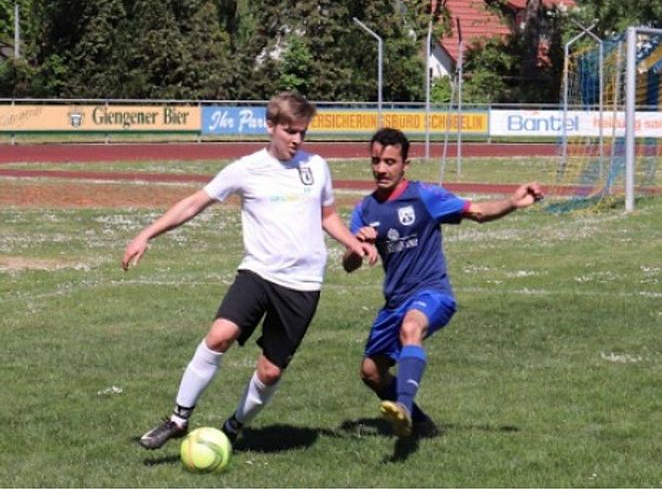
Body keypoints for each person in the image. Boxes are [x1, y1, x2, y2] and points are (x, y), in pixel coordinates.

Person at [121, 91, 376, 450]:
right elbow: (195, 203)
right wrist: (146, 234)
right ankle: (178, 419)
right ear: (270, 126)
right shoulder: (245, 168)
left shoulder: (316, 166)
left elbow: (328, 215)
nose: (297, 139)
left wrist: (353, 242)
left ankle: (233, 426)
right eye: (290, 131)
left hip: (303, 284)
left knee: (270, 371)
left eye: (303, 132)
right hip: (258, 273)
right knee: (219, 336)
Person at [343, 127, 544, 438]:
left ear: (405, 164)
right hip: (394, 302)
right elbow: (348, 264)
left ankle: (404, 406)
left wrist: (511, 203)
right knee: (371, 372)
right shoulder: (365, 209)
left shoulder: (425, 196)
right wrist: (359, 245)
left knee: (411, 329)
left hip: (432, 293)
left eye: (390, 162)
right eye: (376, 161)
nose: (381, 169)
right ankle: (421, 423)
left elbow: (477, 212)